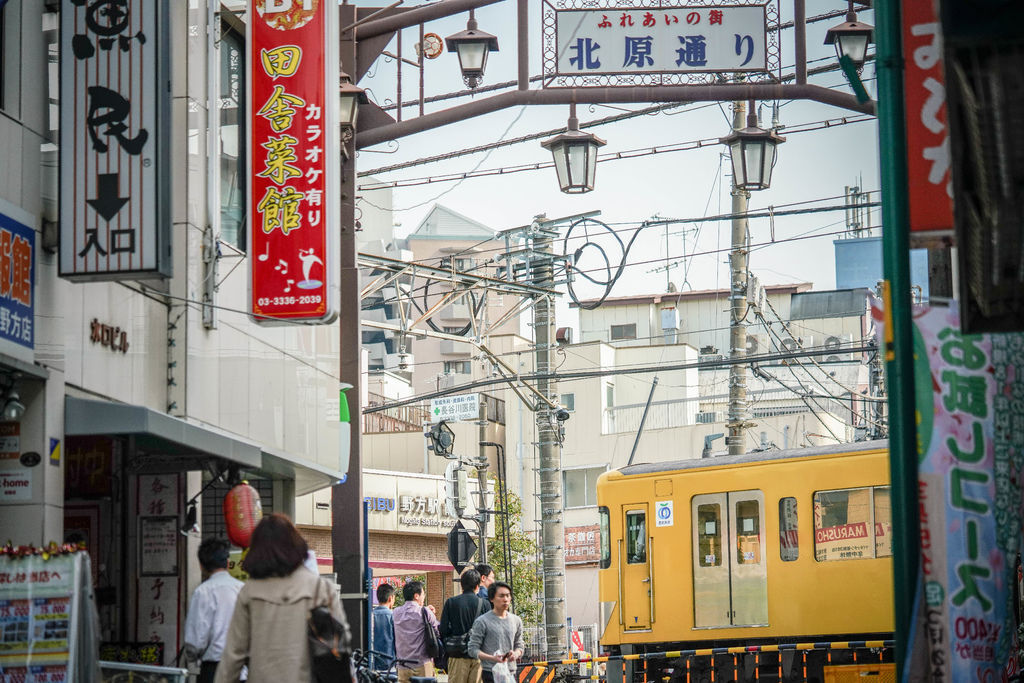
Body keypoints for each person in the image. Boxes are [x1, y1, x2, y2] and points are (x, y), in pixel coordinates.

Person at [215, 514, 346, 683]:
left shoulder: (249, 592)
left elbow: (234, 654)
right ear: (296, 545)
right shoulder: (321, 588)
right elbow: (337, 651)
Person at [184, 538, 244, 683]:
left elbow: (195, 640)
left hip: (213, 669)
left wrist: (192, 658)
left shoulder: (202, 592)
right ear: (228, 563)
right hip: (242, 669)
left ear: (201, 565)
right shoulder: (243, 589)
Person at [440, 569, 492, 683]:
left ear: (461, 585)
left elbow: (443, 629)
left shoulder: (451, 602)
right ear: (477, 586)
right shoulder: (485, 604)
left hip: (457, 654)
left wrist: (451, 641)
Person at [467, 582, 525, 683]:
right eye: (501, 596)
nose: (505, 599)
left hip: (510, 672)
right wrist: (493, 658)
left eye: (508, 595)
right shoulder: (482, 621)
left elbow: (520, 645)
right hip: (490, 672)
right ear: (491, 599)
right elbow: (472, 649)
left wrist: (515, 654)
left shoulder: (516, 620)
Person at [392, 580, 439, 683]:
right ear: (416, 596)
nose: (424, 596)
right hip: (422, 664)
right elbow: (436, 631)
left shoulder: (395, 613)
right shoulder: (425, 612)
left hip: (402, 665)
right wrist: (432, 613)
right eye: (423, 593)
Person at [372, 583, 397, 671]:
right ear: (390, 598)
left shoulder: (370, 615)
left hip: (372, 663)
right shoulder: (393, 616)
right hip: (389, 664)